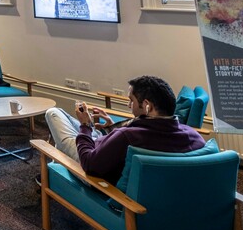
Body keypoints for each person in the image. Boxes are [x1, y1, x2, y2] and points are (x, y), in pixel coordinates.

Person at [44, 75, 206, 185]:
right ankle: (56, 170)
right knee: (73, 130)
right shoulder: (194, 137)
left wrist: (85, 127)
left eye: (131, 101)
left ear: (147, 106)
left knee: (54, 114)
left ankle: (54, 174)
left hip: (95, 167)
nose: (129, 106)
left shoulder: (127, 137)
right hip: (105, 147)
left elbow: (89, 163)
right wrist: (110, 127)